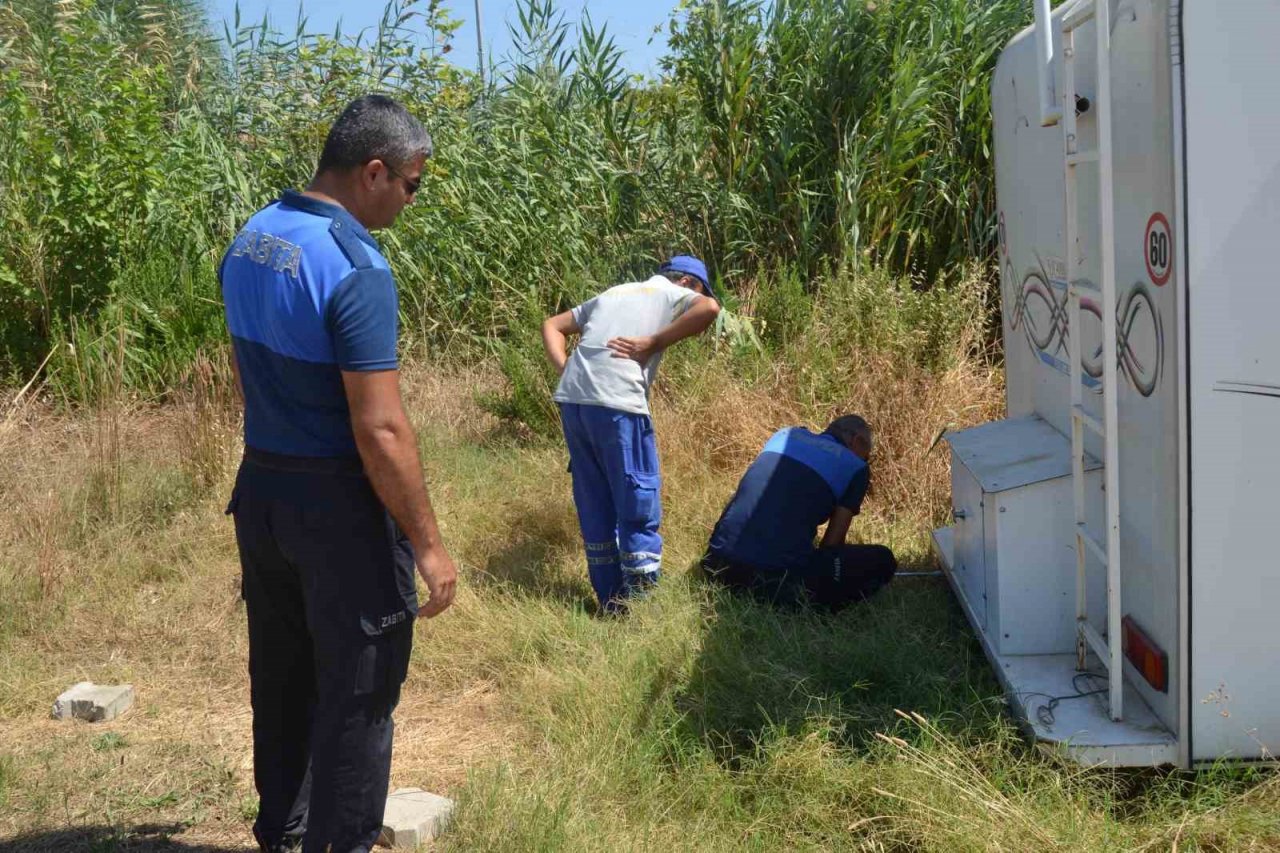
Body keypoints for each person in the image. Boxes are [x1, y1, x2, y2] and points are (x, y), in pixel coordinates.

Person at [220, 94, 457, 853]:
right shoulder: (355, 265)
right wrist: (429, 547)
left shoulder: (254, 236)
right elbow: (380, 428)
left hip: (263, 491)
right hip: (337, 508)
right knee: (360, 693)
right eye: (412, 185)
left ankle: (284, 833)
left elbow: (243, 368)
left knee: (283, 675)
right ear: (374, 172)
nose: (412, 201)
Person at [542, 256, 721, 614]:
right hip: (617, 402)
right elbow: (710, 310)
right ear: (687, 282)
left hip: (574, 403)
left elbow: (552, 325)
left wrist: (567, 370)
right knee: (637, 495)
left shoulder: (615, 292)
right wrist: (652, 342)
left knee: (594, 498)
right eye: (699, 289)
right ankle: (641, 605)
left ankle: (610, 601)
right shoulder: (672, 293)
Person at [701, 414, 896, 611]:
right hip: (773, 581)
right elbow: (831, 545)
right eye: (867, 456)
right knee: (883, 560)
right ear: (857, 441)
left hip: (715, 565)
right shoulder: (856, 467)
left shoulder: (785, 435)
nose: (865, 460)